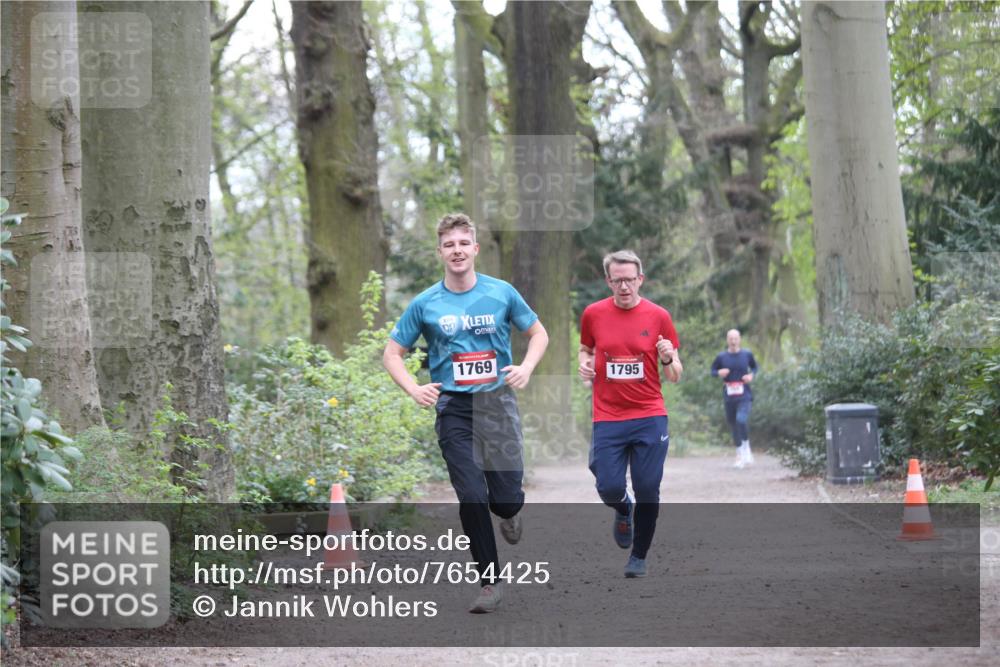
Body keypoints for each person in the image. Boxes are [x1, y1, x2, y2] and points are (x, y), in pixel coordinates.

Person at [382, 213, 548, 613]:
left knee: (505, 500)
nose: (456, 251)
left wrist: (525, 367)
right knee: (471, 496)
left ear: (474, 249)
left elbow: (538, 333)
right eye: (448, 245)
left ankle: (510, 513)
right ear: (440, 252)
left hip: (497, 404)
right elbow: (392, 354)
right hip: (454, 408)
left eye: (463, 243)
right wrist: (413, 387)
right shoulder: (425, 303)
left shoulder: (502, 292)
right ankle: (490, 583)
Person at [578, 250, 682, 578]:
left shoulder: (659, 316)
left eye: (630, 279)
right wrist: (583, 361)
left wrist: (667, 358)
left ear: (641, 279)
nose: (624, 286)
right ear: (608, 281)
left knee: (648, 487)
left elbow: (676, 374)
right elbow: (586, 348)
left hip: (649, 414)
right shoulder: (593, 314)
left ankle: (638, 556)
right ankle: (624, 508)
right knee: (608, 484)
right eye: (617, 280)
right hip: (607, 415)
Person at [710, 329, 758, 468]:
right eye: (730, 338)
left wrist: (751, 376)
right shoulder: (721, 357)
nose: (733, 341)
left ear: (739, 339)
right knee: (733, 424)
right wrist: (719, 372)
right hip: (729, 395)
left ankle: (746, 447)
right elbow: (712, 371)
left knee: (741, 420)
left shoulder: (747, 354)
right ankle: (739, 454)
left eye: (735, 338)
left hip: (744, 394)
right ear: (727, 340)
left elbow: (755, 368)